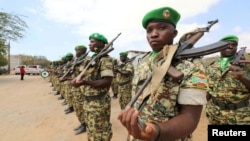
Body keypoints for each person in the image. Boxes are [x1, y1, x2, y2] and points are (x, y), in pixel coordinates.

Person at [118, 6, 208, 141]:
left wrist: (155, 131)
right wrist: (132, 134)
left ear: (175, 33)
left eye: (161, 28)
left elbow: (190, 118)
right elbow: (136, 105)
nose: (153, 34)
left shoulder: (191, 65)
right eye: (149, 30)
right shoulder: (143, 62)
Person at [71, 33, 113, 140]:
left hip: (98, 103)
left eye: (92, 41)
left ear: (100, 43)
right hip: (88, 101)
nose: (89, 44)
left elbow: (107, 82)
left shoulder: (105, 59)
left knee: (100, 132)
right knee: (92, 131)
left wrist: (84, 83)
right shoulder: (94, 59)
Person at [205, 35, 250, 125]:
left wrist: (242, 78)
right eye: (227, 44)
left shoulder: (247, 64)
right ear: (219, 47)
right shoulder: (212, 66)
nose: (230, 46)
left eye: (234, 44)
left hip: (240, 116)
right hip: (215, 114)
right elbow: (209, 90)